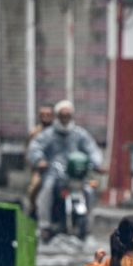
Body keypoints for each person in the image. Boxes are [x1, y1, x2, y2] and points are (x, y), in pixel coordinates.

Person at [27, 99, 104, 241]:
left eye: (68, 115)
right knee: (46, 189)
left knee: (90, 190)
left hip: (77, 175)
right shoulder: (48, 134)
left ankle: (87, 227)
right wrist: (39, 160)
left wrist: (97, 163)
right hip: (54, 172)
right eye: (62, 115)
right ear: (57, 116)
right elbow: (35, 147)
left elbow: (92, 149)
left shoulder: (80, 134)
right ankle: (45, 225)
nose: (65, 118)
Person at [25, 104, 54, 217]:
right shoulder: (35, 132)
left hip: (58, 167)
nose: (45, 117)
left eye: (48, 115)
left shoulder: (58, 131)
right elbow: (29, 152)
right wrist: (37, 163)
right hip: (41, 168)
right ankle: (33, 207)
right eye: (43, 115)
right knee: (35, 186)